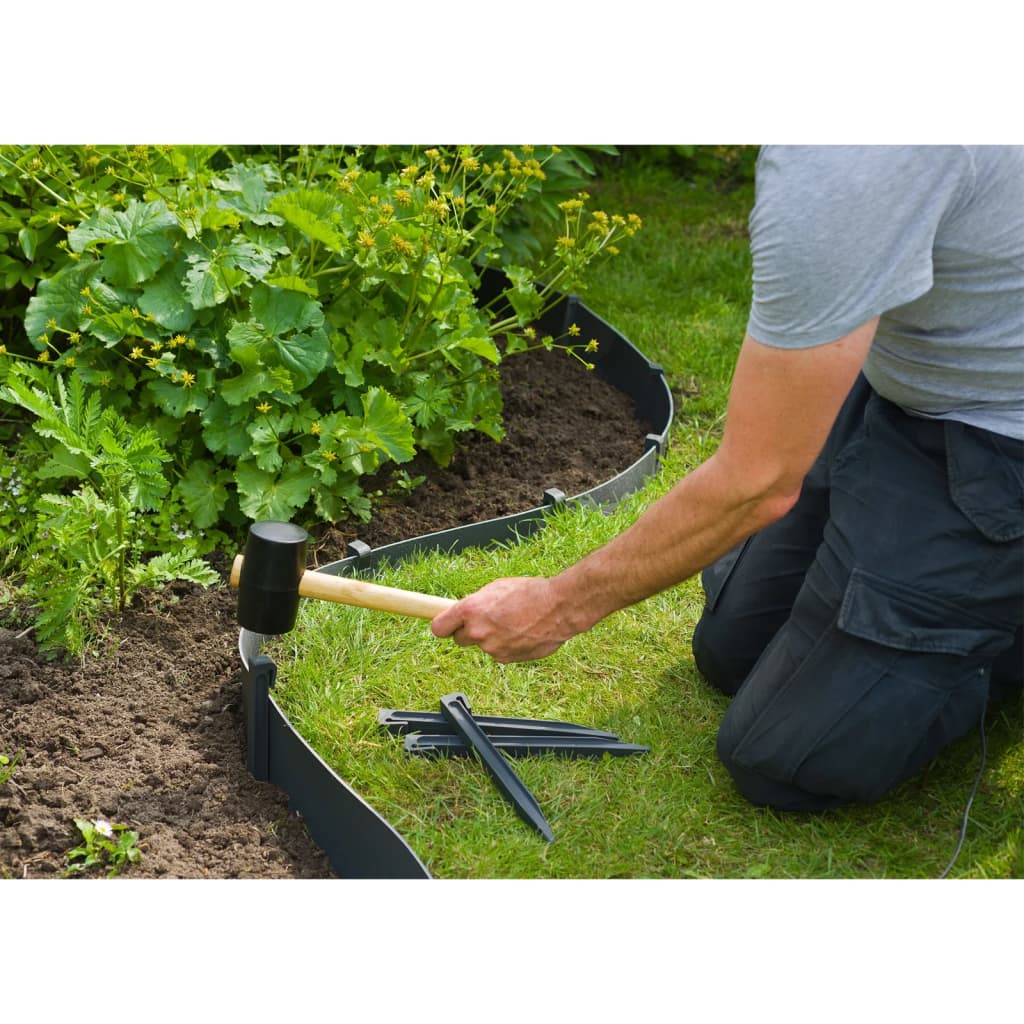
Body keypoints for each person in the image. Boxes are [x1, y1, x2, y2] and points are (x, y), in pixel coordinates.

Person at [430, 145, 1024, 811]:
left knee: (787, 761)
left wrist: (561, 604)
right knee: (729, 651)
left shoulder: (848, 165)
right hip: (904, 394)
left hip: (1000, 440)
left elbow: (759, 481)